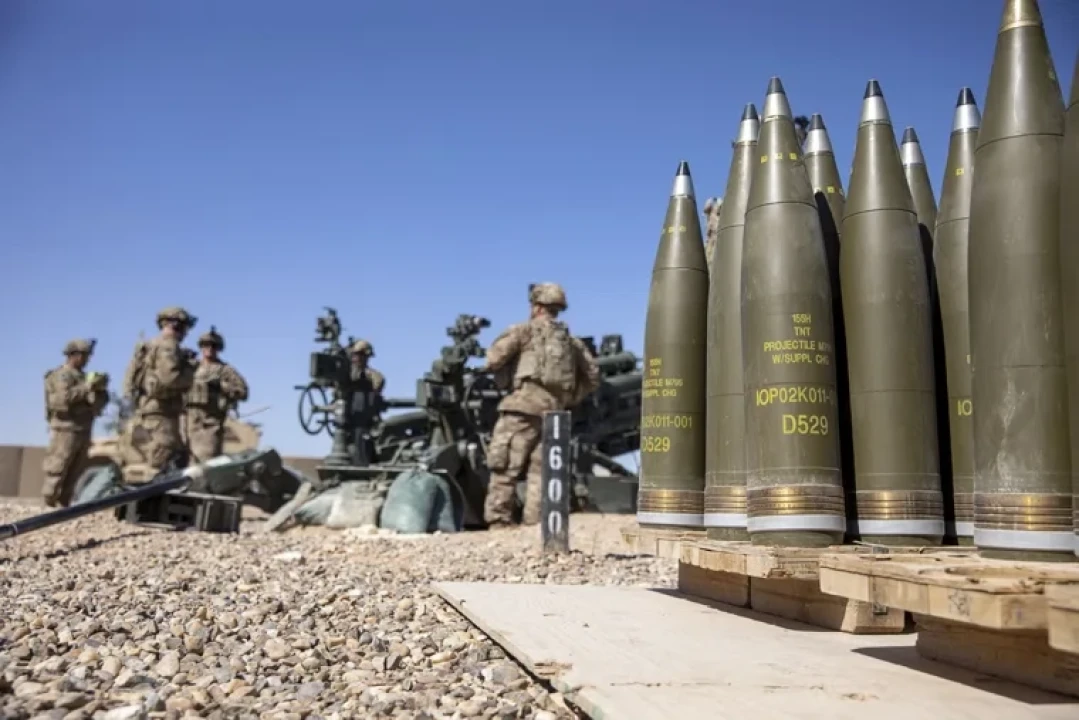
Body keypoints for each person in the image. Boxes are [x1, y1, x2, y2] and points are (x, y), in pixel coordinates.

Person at [479, 282, 600, 527]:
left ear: (536, 307)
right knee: (543, 473)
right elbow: (593, 376)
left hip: (521, 409)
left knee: (505, 466)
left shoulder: (523, 331)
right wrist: (569, 398)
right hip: (555, 414)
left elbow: (492, 360)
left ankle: (499, 521)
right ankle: (535, 525)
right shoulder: (572, 342)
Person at [122, 306, 197, 475]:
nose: (186, 332)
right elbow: (171, 379)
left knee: (167, 462)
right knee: (161, 465)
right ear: (176, 325)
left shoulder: (150, 345)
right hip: (161, 415)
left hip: (151, 413)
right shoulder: (168, 345)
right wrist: (191, 371)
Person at [42, 339, 110, 507]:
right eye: (84, 355)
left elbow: (98, 404)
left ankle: (64, 504)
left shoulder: (84, 377)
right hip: (65, 429)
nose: (87, 359)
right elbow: (62, 399)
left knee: (76, 470)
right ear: (73, 355)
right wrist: (86, 387)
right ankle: (48, 502)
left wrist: (100, 390)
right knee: (58, 466)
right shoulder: (62, 375)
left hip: (83, 428)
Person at [184, 326, 250, 463]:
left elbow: (243, 392)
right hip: (187, 421)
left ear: (218, 349)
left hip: (210, 424)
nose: (209, 348)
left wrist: (221, 386)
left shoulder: (225, 370)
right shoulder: (191, 367)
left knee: (207, 463)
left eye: (213, 346)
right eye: (206, 345)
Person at [347, 339, 385, 465]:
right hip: (348, 420)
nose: (357, 358)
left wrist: (364, 377)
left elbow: (378, 383)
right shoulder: (346, 374)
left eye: (360, 355)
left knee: (364, 451)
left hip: (364, 422)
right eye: (355, 355)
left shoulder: (372, 375)